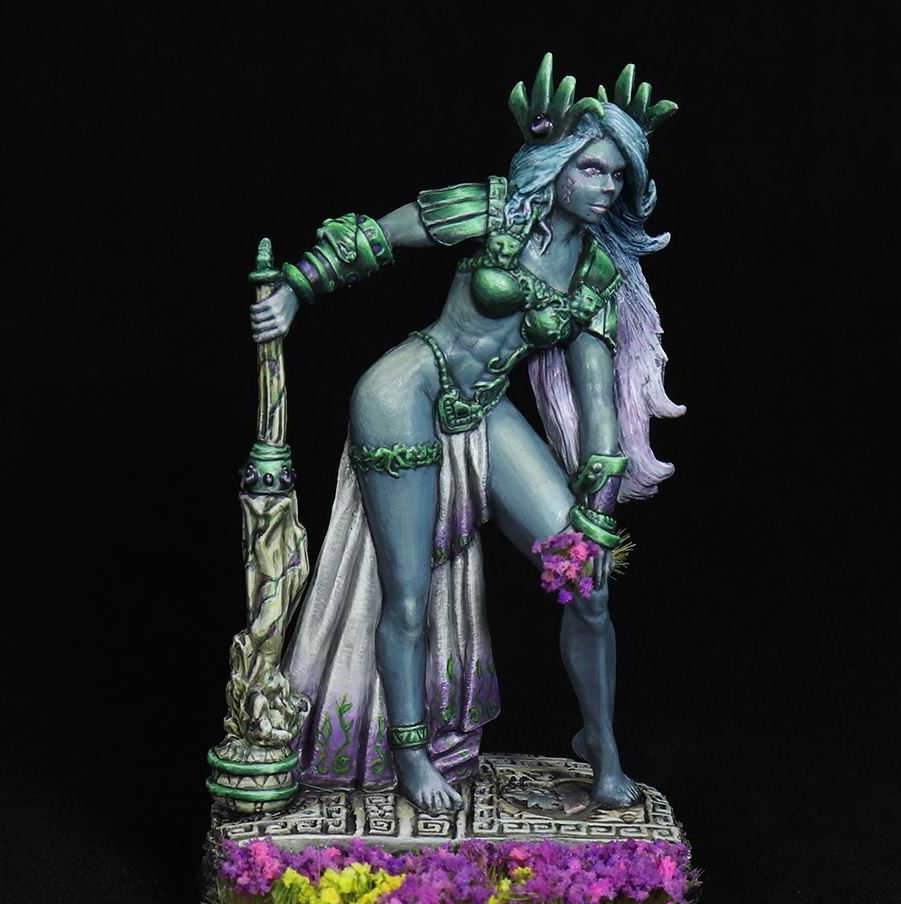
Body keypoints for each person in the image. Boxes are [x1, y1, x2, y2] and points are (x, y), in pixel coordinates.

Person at [251, 54, 685, 814]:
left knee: (588, 587)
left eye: (618, 176)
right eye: (592, 169)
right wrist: (295, 286)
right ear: (556, 167)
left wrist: (597, 507)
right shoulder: (495, 210)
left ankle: (602, 747)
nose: (606, 187)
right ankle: (411, 755)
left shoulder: (595, 276)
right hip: (404, 393)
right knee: (408, 598)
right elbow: (379, 236)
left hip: (483, 410)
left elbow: (597, 408)